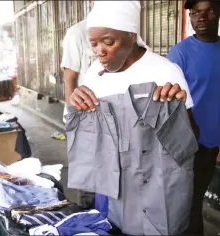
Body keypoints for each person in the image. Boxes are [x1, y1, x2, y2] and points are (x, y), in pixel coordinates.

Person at [69, 1, 197, 234]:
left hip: (155, 188)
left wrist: (176, 112)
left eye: (109, 41)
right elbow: (88, 136)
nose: (100, 52)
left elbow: (190, 140)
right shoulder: (93, 76)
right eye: (94, 44)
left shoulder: (164, 72)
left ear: (131, 36)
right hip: (110, 188)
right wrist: (77, 101)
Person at [167, 0, 220, 234]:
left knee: (195, 199)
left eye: (208, 11)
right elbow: (170, 103)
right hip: (188, 142)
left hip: (213, 142)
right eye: (195, 12)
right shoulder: (180, 53)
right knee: (188, 203)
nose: (200, 17)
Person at [60, 1, 95, 209]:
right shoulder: (78, 33)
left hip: (114, 120)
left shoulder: (125, 28)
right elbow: (70, 78)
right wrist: (73, 117)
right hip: (84, 118)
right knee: (88, 181)